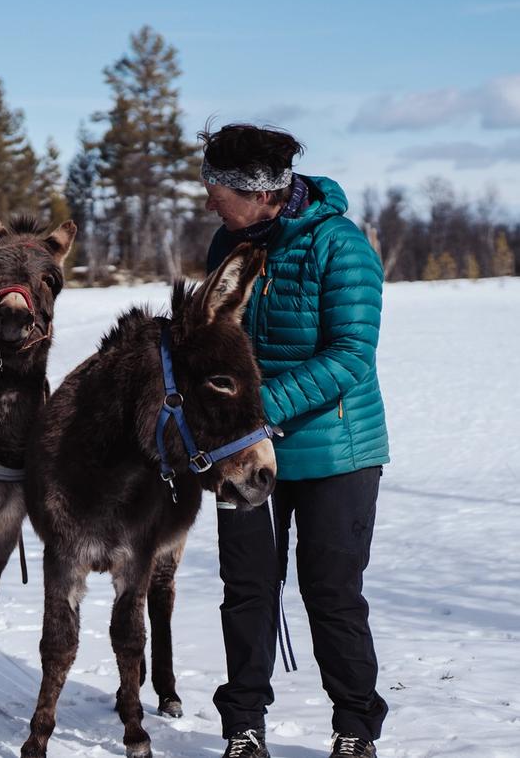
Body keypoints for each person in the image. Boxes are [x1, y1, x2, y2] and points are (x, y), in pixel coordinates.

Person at [200, 124, 389, 758]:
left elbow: (349, 358)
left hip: (336, 450)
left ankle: (355, 729)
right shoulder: (227, 244)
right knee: (247, 589)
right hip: (246, 451)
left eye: (215, 188)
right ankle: (244, 728)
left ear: (255, 192)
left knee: (332, 593)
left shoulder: (342, 247)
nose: (207, 201)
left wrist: (254, 410)